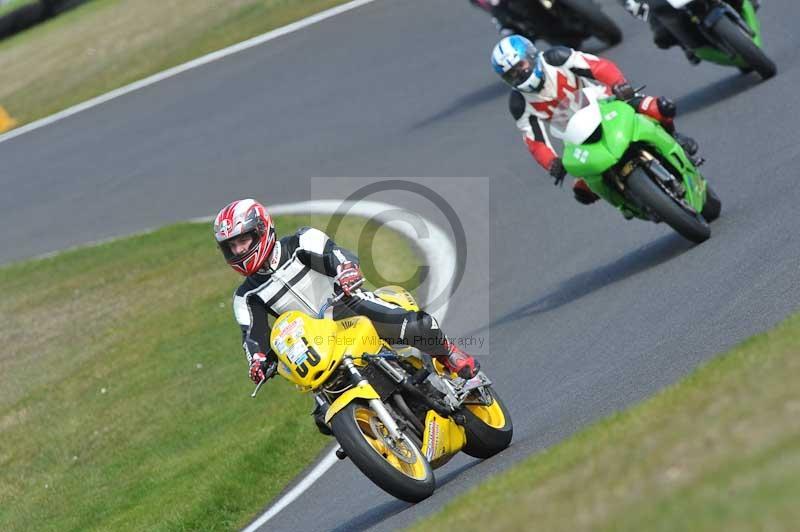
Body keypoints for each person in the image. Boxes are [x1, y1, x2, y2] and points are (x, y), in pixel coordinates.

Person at [213, 199, 480, 394]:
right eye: (231, 247)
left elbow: (334, 255)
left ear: (261, 230)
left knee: (412, 325)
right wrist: (258, 360)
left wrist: (346, 269)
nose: (238, 250)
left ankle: (449, 355)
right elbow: (253, 336)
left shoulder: (300, 242)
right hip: (316, 343)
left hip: (346, 305)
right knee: (321, 414)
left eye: (243, 240)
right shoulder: (245, 296)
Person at [492, 34, 699, 205]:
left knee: (659, 107)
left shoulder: (556, 57)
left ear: (530, 55)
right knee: (583, 191)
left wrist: (618, 84)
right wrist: (552, 162)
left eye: (521, 66)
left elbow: (597, 66)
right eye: (512, 75)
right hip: (574, 137)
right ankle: (629, 202)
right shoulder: (519, 102)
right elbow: (534, 140)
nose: (520, 75)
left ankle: (674, 137)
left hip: (605, 102)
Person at [620, 0, 752, 62]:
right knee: (662, 35)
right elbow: (630, 5)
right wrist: (639, 8)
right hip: (661, 5)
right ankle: (686, 45)